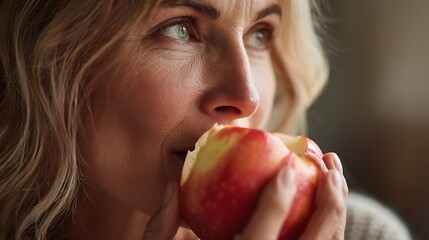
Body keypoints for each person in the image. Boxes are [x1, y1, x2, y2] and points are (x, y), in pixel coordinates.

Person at [0, 0, 411, 240]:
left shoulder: (362, 233)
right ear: (50, 60)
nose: (247, 96)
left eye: (260, 34)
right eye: (180, 29)